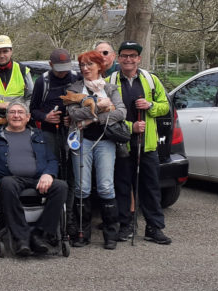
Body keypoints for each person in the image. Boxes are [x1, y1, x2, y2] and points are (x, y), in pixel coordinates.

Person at [0, 101, 69, 256]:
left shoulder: (38, 135)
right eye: (12, 112)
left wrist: (48, 174)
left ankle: (39, 234)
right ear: (6, 116)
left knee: (61, 186)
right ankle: (21, 237)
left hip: (37, 179)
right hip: (9, 179)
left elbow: (52, 160)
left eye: (20, 112)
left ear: (28, 117)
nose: (16, 115)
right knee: (8, 183)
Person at [107, 40, 173, 245]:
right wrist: (130, 126)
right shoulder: (109, 81)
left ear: (138, 59)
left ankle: (154, 227)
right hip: (121, 144)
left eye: (132, 56)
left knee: (151, 187)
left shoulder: (150, 80)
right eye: (124, 56)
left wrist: (150, 105)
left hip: (148, 144)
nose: (128, 59)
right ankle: (125, 225)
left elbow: (165, 106)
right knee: (123, 186)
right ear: (119, 58)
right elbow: (105, 113)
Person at [64, 49, 126, 250]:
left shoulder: (110, 88)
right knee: (82, 187)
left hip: (105, 140)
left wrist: (91, 119)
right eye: (82, 65)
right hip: (80, 140)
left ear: (100, 66)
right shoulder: (74, 88)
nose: (85, 68)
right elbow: (73, 114)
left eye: (90, 64)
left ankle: (111, 235)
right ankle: (82, 233)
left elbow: (121, 112)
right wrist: (101, 107)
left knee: (106, 186)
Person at [30, 48, 80, 156]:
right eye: (59, 69)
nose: (63, 72)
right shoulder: (42, 82)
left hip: (73, 129)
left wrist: (73, 116)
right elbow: (33, 110)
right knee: (52, 160)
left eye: (65, 69)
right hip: (49, 130)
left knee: (72, 163)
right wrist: (45, 117)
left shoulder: (77, 78)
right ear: (51, 64)